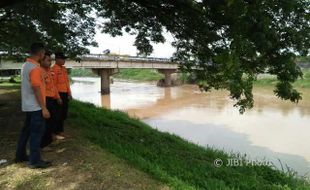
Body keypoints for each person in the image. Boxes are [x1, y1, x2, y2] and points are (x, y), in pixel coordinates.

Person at [15, 42, 51, 168]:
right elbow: (36, 88)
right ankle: (34, 161)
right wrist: (44, 108)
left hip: (28, 106)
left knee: (26, 131)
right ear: (41, 54)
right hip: (36, 107)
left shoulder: (25, 65)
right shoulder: (35, 68)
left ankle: (20, 155)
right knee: (36, 133)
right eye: (43, 53)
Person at [40, 51, 62, 148]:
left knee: (53, 120)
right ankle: (44, 144)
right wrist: (43, 106)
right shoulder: (40, 72)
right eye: (48, 60)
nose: (50, 62)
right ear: (41, 61)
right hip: (45, 100)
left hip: (51, 99)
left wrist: (58, 97)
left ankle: (49, 140)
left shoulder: (49, 71)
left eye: (50, 60)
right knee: (47, 122)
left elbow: (53, 86)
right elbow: (39, 90)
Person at [51, 52, 71, 138]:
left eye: (64, 59)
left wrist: (69, 93)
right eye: (62, 59)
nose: (64, 60)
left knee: (63, 114)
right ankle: (56, 132)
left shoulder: (63, 69)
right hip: (58, 94)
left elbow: (67, 82)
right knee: (58, 114)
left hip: (65, 93)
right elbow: (53, 85)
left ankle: (60, 130)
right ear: (57, 59)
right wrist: (58, 97)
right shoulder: (53, 69)